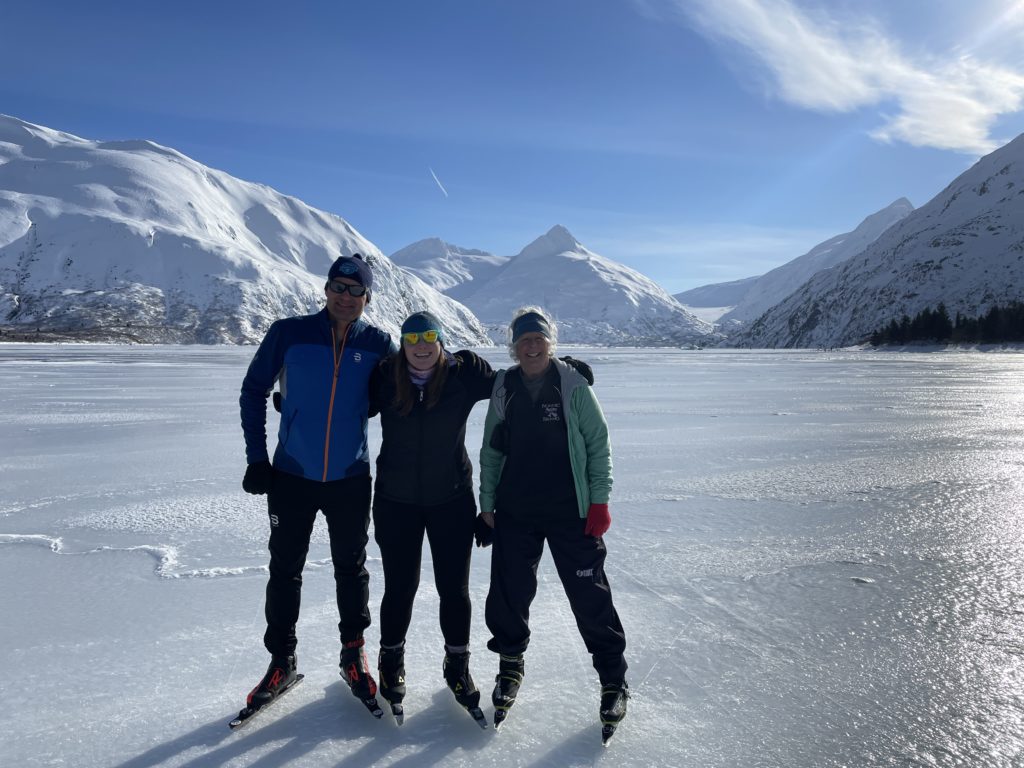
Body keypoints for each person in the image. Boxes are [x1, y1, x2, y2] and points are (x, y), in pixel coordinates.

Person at [239, 253, 395, 718]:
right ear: (326, 290)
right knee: (285, 568)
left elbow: (421, 380)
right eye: (338, 288)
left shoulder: (379, 344)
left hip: (350, 477)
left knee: (351, 568)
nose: (346, 298)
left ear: (367, 297)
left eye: (356, 290)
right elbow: (252, 391)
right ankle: (281, 660)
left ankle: (353, 653)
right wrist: (256, 459)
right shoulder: (289, 333)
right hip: (292, 476)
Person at [478, 306, 629, 738]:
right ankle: (510, 664)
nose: (531, 346)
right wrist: (487, 506)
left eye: (538, 339)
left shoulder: (573, 386)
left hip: (571, 512)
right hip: (516, 510)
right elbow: (492, 450)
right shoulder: (505, 386)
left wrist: (599, 501)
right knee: (509, 594)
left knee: (590, 595)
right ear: (514, 345)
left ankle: (613, 679)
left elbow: (599, 445)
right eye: (524, 339)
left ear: (550, 343)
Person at [367, 310, 496, 725]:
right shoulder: (384, 377)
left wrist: (561, 370)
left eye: (429, 338)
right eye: (412, 339)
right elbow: (340, 397)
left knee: (453, 590)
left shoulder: (464, 375)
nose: (421, 347)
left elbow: (515, 383)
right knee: (400, 587)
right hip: (395, 501)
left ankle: (456, 665)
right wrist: (294, 400)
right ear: (402, 344)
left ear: (440, 342)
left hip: (451, 501)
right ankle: (391, 659)